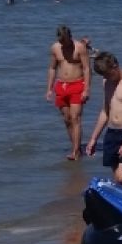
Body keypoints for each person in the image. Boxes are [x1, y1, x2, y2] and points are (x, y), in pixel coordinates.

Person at [85, 52, 122, 193]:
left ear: (115, 66)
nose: (105, 78)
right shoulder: (106, 82)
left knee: (121, 177)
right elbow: (105, 111)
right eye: (103, 76)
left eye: (107, 74)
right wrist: (93, 138)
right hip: (112, 133)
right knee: (121, 179)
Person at [46, 25, 91, 161]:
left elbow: (87, 69)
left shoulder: (79, 47)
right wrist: (49, 88)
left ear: (70, 37)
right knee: (67, 120)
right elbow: (52, 68)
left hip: (77, 84)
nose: (63, 44)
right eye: (61, 41)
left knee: (75, 118)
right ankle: (75, 147)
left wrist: (86, 89)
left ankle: (76, 152)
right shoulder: (55, 48)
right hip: (61, 86)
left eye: (65, 41)